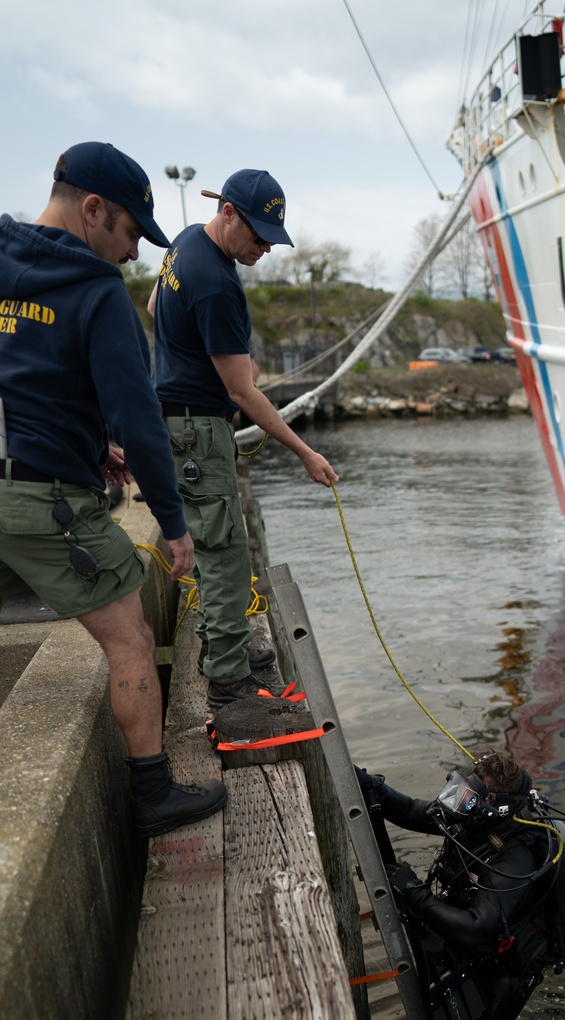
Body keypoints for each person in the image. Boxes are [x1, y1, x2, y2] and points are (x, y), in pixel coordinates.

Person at [0, 142, 226, 838]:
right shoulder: (98, 294)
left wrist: (91, 449)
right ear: (93, 209)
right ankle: (154, 796)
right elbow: (144, 424)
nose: (133, 254)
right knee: (129, 637)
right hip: (43, 504)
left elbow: (26, 377)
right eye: (131, 232)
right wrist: (175, 524)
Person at [149, 169, 339, 708]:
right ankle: (230, 685)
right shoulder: (217, 282)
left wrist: (200, 350)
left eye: (271, 240)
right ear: (227, 212)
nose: (263, 249)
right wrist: (305, 452)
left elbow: (154, 308)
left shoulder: (183, 244)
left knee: (212, 542)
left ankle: (223, 641)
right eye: (257, 237)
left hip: (175, 422)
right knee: (227, 551)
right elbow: (241, 392)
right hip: (200, 429)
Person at [360, 750, 565, 1020]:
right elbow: (411, 811)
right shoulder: (469, 815)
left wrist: (413, 893)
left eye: (469, 793)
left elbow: (475, 925)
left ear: (494, 806)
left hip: (510, 972)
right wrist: (372, 786)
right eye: (461, 786)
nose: (457, 797)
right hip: (481, 956)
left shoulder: (515, 857)